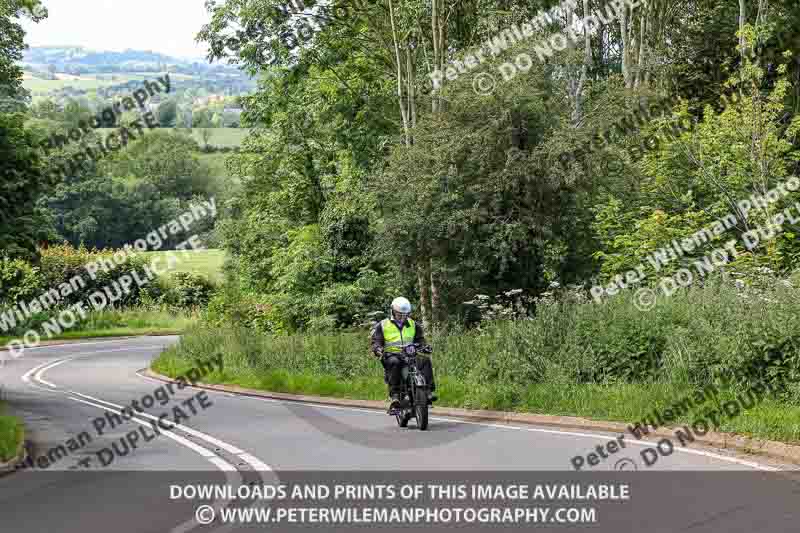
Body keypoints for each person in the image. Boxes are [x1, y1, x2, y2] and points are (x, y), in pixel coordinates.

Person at [370, 296, 437, 411]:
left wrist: (424, 347)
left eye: (405, 315)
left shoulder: (413, 324)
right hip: (391, 355)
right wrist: (378, 349)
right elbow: (376, 341)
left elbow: (420, 340)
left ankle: (428, 392)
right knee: (394, 362)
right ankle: (395, 396)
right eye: (399, 314)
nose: (402, 317)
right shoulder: (383, 325)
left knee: (425, 360)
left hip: (409, 355)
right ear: (392, 311)